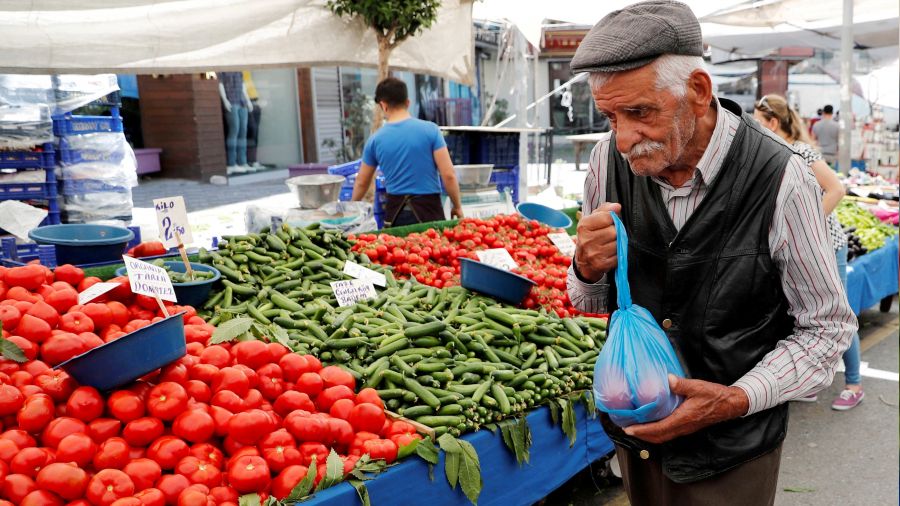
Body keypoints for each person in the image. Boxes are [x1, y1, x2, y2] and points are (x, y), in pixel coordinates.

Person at [567, 2, 857, 505]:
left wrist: (735, 399)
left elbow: (827, 328)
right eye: (611, 116)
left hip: (733, 453)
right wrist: (586, 266)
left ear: (699, 92)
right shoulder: (605, 161)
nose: (624, 138)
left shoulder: (780, 177)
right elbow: (590, 301)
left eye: (640, 113)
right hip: (637, 439)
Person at [754, 94, 864, 410]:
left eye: (759, 123)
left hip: (828, 246)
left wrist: (807, 226)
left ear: (773, 123)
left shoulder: (801, 152)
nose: (754, 129)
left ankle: (854, 384)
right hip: (798, 249)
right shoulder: (770, 154)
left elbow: (837, 189)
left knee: (836, 314)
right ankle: (811, 382)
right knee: (801, 312)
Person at [352, 77, 464, 226]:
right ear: (408, 102)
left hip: (396, 216)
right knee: (432, 242)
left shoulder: (375, 140)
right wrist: (457, 206)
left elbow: (361, 182)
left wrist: (351, 209)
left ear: (383, 105)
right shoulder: (431, 130)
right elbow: (448, 175)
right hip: (429, 213)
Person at [218, 72, 252, 174]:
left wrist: (248, 100)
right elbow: (220, 84)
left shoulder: (238, 70)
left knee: (243, 132)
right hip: (231, 101)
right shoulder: (222, 70)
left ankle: (242, 162)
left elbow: (242, 85)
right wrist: (225, 100)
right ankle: (231, 163)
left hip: (242, 102)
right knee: (234, 130)